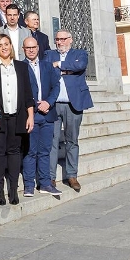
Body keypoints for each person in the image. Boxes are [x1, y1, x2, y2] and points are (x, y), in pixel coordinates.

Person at [44, 29, 93, 192]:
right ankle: (50, 177)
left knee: (72, 141)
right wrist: (68, 71)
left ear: (70, 39)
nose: (60, 42)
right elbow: (46, 71)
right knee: (51, 141)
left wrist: (59, 66)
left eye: (63, 39)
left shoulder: (80, 53)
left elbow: (80, 65)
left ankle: (72, 175)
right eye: (57, 39)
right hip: (54, 104)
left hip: (74, 104)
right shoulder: (49, 54)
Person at [0, 34, 34, 206]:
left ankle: (13, 189)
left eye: (6, 44)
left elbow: (28, 94)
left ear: (11, 46)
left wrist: (30, 115)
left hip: (17, 115)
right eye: (0, 45)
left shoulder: (21, 67)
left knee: (15, 152)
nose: (4, 47)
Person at [22, 36, 62, 197]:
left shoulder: (48, 66)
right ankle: (29, 185)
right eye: (28, 48)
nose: (31, 50)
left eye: (33, 47)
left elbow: (56, 86)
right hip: (31, 115)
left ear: (38, 48)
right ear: (23, 49)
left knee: (45, 151)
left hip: (47, 115)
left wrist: (49, 102)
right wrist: (35, 104)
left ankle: (45, 183)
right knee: (30, 151)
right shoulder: (20, 67)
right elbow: (21, 91)